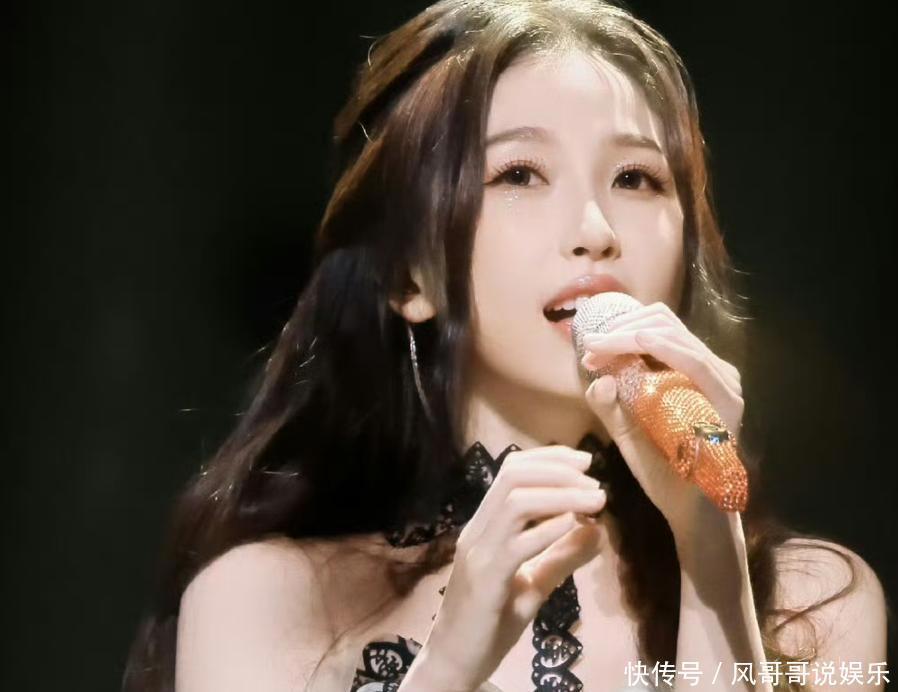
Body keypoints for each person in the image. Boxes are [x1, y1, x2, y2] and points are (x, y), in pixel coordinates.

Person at [122, 1, 889, 690]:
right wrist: (447, 667)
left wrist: (709, 551)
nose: (596, 231)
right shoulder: (266, 599)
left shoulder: (814, 606)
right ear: (409, 272)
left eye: (636, 178)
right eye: (520, 173)